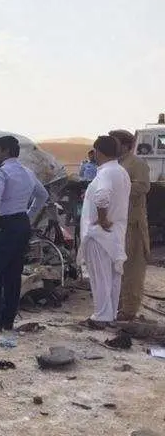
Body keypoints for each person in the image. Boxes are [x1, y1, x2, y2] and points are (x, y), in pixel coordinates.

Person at [0, 136, 49, 332]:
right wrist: (28, 217)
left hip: (3, 224)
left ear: (6, 151)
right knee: (13, 274)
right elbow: (43, 196)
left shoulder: (0, 173)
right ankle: (8, 320)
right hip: (21, 223)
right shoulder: (28, 172)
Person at [77, 135, 130, 328]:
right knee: (112, 277)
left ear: (98, 151)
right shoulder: (121, 171)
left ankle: (101, 317)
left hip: (100, 233)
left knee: (100, 277)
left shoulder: (106, 173)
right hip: (115, 233)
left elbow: (102, 196)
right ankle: (110, 314)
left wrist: (102, 218)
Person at [109, 130, 151, 321]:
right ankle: (116, 305)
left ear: (126, 145)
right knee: (116, 266)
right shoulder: (116, 164)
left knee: (132, 267)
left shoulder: (137, 163)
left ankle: (129, 309)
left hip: (132, 223)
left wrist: (117, 188)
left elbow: (143, 186)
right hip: (117, 223)